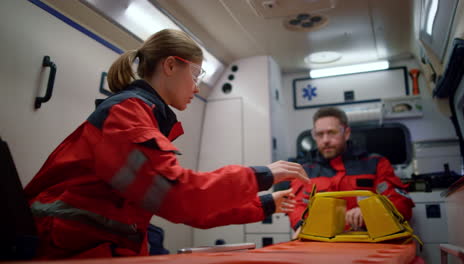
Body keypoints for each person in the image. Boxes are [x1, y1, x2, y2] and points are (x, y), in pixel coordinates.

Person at [24, 29, 307, 259]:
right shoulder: (125, 117)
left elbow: (187, 206)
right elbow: (182, 199)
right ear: (170, 65)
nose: (197, 87)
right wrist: (263, 175)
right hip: (63, 251)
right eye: (196, 75)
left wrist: (267, 204)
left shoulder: (141, 117)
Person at [288, 107, 414, 234]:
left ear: (346, 133)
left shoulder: (375, 164)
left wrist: (370, 211)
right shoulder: (304, 171)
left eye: (332, 132)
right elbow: (296, 205)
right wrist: (301, 224)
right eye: (320, 134)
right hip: (321, 243)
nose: (325, 140)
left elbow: (400, 203)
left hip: (368, 241)